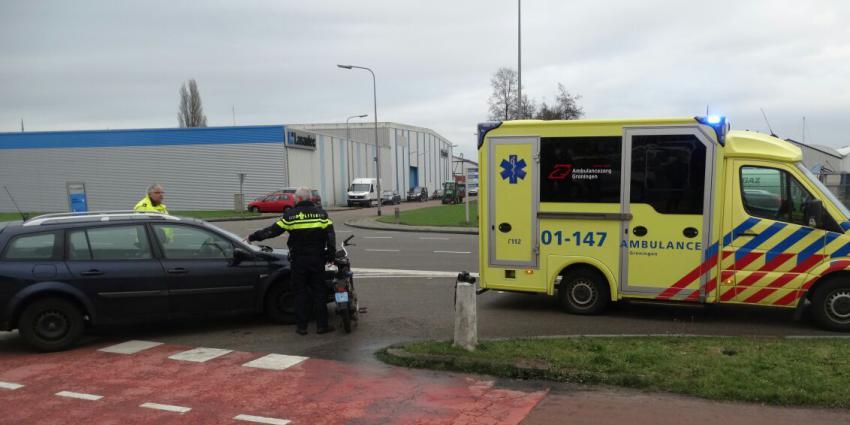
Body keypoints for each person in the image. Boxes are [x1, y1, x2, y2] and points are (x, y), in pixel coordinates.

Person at [247, 186, 336, 335]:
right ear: (310, 198)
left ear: (300, 199)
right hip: (317, 260)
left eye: (295, 197)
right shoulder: (321, 214)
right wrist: (331, 255)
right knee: (319, 293)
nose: (294, 199)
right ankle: (322, 326)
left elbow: (272, 231)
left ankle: (302, 327)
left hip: (298, 261)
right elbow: (330, 236)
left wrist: (253, 237)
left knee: (300, 293)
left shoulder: (291, 215)